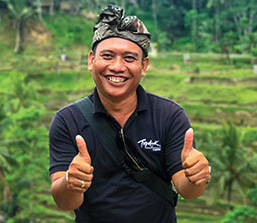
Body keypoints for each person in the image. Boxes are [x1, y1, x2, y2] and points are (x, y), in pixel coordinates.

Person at [49, 4, 211, 223]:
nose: (117, 67)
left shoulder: (169, 116)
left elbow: (188, 190)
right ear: (91, 60)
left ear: (144, 66)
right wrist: (72, 181)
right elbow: (64, 202)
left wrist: (196, 177)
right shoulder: (67, 120)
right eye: (107, 55)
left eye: (129, 58)